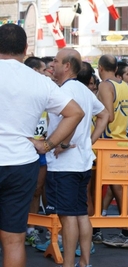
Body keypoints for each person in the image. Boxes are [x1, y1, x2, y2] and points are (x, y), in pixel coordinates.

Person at [0, 23, 84, 267]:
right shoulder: (39, 81)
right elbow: (75, 113)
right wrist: (47, 145)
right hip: (21, 164)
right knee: (14, 240)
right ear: (26, 49)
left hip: (19, 162)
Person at [46, 48, 109, 267]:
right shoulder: (84, 90)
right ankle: (84, 262)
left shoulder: (64, 91)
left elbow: (74, 117)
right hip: (81, 162)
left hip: (65, 164)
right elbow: (104, 115)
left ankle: (69, 264)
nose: (52, 64)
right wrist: (89, 140)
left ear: (67, 66)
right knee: (81, 214)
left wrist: (63, 142)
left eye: (56, 60)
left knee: (67, 216)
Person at [96, 55, 128, 248]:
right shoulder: (123, 85)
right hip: (121, 140)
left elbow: (108, 116)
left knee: (114, 187)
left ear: (100, 68)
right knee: (114, 187)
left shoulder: (105, 85)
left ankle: (126, 230)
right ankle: (97, 228)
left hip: (109, 141)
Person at [23, 56, 50, 248]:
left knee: (36, 190)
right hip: (20, 149)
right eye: (43, 70)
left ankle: (30, 230)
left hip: (41, 148)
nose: (46, 73)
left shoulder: (46, 90)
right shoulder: (19, 90)